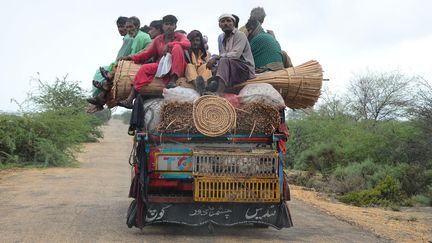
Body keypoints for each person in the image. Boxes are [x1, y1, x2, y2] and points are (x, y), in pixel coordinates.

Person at [117, 15, 191, 108]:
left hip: (177, 67)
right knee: (145, 68)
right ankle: (130, 99)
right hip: (162, 66)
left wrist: (170, 45)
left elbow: (187, 44)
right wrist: (131, 57)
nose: (168, 27)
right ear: (163, 26)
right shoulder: (158, 39)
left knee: (176, 47)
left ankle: (173, 79)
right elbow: (147, 54)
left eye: (171, 24)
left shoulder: (180, 36)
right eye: (166, 24)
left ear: (175, 27)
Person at [87, 16, 152, 108]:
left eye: (130, 27)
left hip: (145, 63)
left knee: (117, 71)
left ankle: (105, 86)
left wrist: (122, 61)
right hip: (141, 61)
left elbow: (136, 56)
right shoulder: (137, 37)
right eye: (126, 27)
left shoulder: (137, 38)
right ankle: (104, 90)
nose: (126, 29)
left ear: (137, 26)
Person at [86, 16, 133, 112]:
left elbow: (122, 56)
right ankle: (99, 97)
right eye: (118, 27)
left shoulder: (128, 38)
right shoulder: (129, 37)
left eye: (122, 26)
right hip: (125, 62)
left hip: (125, 65)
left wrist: (114, 66)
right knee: (103, 71)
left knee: (102, 73)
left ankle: (99, 99)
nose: (120, 29)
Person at [205, 14, 255, 92]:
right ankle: (210, 86)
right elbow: (223, 56)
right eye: (223, 21)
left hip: (245, 70)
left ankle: (219, 92)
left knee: (223, 61)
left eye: (228, 21)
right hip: (232, 69)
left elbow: (235, 55)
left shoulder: (240, 35)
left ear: (234, 24)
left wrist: (216, 58)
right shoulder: (222, 38)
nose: (225, 23)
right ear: (219, 25)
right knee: (214, 67)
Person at [185, 30, 212, 94]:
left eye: (197, 40)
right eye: (192, 40)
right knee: (190, 66)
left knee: (206, 66)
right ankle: (199, 88)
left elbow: (209, 67)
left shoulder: (205, 54)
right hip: (190, 75)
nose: (195, 42)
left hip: (202, 76)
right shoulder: (186, 52)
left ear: (200, 42)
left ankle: (204, 87)